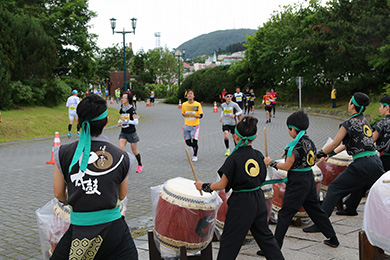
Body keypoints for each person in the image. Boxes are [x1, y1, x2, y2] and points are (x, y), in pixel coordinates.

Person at [51, 94, 138, 260]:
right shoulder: (123, 157)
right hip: (114, 232)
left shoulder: (62, 153)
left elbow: (58, 194)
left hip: (79, 229)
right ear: (105, 122)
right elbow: (121, 195)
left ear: (78, 120)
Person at [194, 116, 284, 260]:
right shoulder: (259, 155)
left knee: (230, 241)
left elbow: (222, 185)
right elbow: (261, 178)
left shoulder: (233, 158)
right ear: (254, 138)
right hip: (258, 199)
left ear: (235, 136)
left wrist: (204, 186)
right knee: (266, 238)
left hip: (241, 203)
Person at [257, 111, 339, 256]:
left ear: (293, 129)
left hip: (297, 183)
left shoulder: (293, 147)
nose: (289, 132)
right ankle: (333, 238)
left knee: (285, 215)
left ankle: (274, 248)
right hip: (309, 179)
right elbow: (311, 161)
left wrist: (271, 163)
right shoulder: (310, 142)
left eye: (289, 129)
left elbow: (287, 166)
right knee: (315, 210)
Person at [303, 92, 385, 233]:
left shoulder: (347, 124)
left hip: (361, 164)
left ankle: (321, 224)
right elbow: (348, 144)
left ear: (352, 105)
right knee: (383, 192)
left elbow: (335, 142)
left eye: (350, 101)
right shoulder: (363, 121)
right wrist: (330, 154)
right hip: (375, 161)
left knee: (334, 188)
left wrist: (320, 154)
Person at [338, 94, 390, 216]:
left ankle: (349, 204)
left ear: (387, 108)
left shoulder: (383, 123)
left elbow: (371, 139)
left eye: (381, 106)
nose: (379, 109)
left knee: (369, 182)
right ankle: (350, 205)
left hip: (386, 159)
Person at [118, 93, 143, 173]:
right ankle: (124, 166)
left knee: (134, 151)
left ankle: (140, 164)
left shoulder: (131, 109)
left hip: (131, 133)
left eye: (124, 98)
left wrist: (126, 121)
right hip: (123, 132)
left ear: (128, 99)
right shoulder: (122, 108)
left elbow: (136, 122)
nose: (122, 99)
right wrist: (119, 122)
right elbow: (122, 118)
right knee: (121, 149)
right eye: (122, 97)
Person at [182, 89, 203, 162]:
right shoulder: (184, 104)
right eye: (188, 94)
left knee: (195, 141)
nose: (190, 95)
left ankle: (195, 156)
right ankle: (192, 147)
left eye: (191, 94)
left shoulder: (197, 104)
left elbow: (200, 115)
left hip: (195, 125)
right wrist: (185, 114)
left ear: (194, 96)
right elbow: (183, 113)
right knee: (188, 142)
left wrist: (194, 115)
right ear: (186, 96)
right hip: (187, 125)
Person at [220, 92, 242, 156]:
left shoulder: (234, 104)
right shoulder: (223, 105)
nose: (229, 98)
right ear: (225, 98)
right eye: (227, 96)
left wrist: (235, 115)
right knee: (226, 135)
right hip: (225, 122)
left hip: (232, 122)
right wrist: (221, 117)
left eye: (230, 96)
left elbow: (240, 111)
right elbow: (223, 111)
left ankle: (236, 149)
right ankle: (227, 149)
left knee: (234, 136)